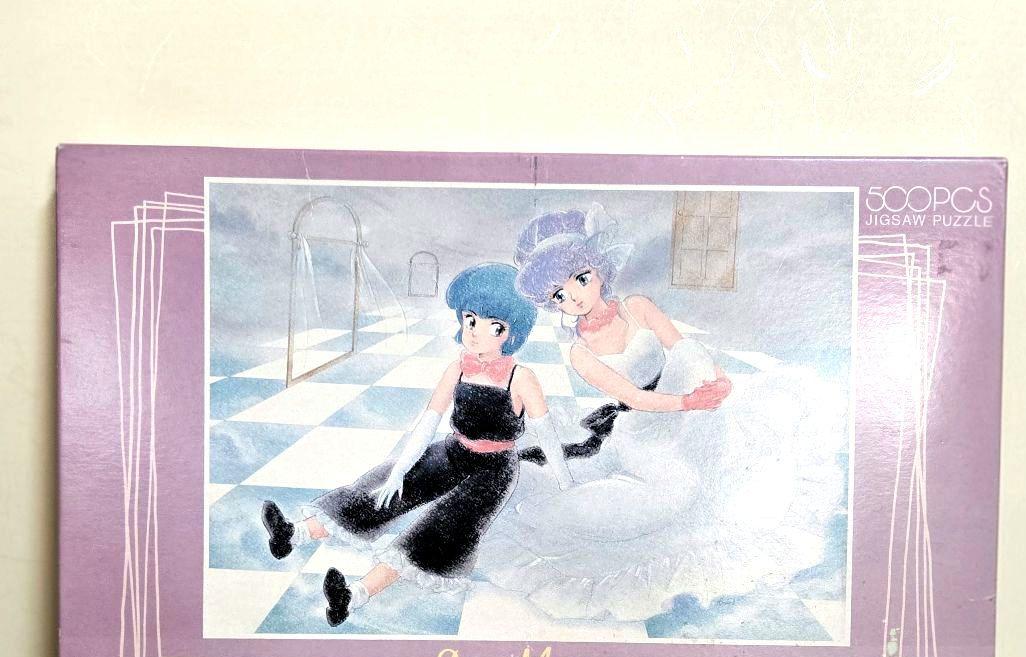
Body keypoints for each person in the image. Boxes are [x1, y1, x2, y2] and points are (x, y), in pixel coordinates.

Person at [475, 204, 847, 623]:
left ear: (599, 270)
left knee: (691, 361)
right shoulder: (581, 353)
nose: (575, 296)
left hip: (687, 399)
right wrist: (688, 402)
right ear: (551, 302)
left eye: (581, 278)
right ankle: (563, 508)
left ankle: (721, 464)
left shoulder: (637, 306)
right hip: (646, 427)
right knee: (676, 493)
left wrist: (719, 381)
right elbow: (635, 398)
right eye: (559, 294)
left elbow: (685, 349)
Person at [260, 262, 573, 626]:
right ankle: (293, 534)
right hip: (453, 450)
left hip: (494, 471)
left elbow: (546, 434)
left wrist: (566, 484)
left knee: (440, 527)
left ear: (511, 332)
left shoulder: (522, 378)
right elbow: (428, 421)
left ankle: (353, 596)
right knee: (384, 486)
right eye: (470, 319)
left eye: (493, 326)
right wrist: (399, 471)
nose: (475, 333)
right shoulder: (458, 368)